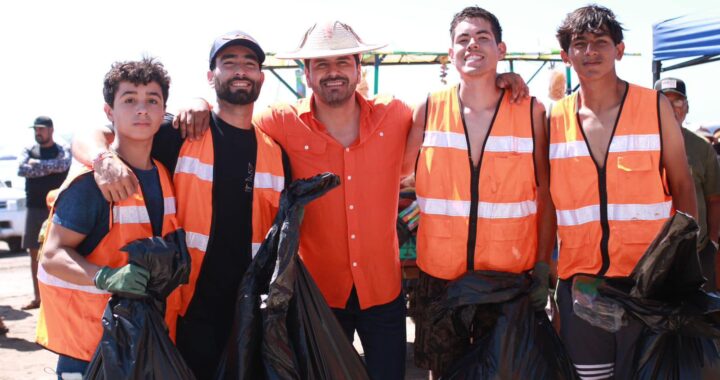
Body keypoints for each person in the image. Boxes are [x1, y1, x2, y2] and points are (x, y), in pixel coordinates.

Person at [72, 32, 290, 379]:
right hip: (185, 313)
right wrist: (102, 160)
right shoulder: (179, 133)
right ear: (210, 76)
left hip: (248, 316)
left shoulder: (276, 153)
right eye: (228, 63)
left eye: (250, 64)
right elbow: (97, 131)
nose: (240, 71)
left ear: (261, 77)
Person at [402, 7, 554, 377]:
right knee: (444, 373)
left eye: (483, 37)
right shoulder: (429, 108)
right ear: (450, 53)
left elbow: (546, 193)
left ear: (500, 49)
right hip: (440, 277)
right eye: (463, 39)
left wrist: (545, 264)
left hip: (506, 280)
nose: (472, 45)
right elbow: (401, 179)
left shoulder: (531, 111)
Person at [550, 6, 697, 379]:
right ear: (566, 55)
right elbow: (543, 199)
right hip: (583, 286)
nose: (590, 51)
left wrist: (682, 263)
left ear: (619, 49)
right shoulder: (553, 119)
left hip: (647, 284)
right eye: (579, 44)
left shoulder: (654, 106)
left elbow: (682, 184)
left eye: (601, 42)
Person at [36, 58, 177, 378]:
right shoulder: (91, 182)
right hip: (89, 353)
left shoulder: (165, 175)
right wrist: (105, 277)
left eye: (152, 100)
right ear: (109, 112)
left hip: (143, 344)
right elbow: (52, 256)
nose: (142, 109)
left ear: (163, 110)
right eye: (129, 100)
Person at [655, 77, 720, 291]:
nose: (672, 108)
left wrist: (712, 244)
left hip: (698, 253)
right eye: (665, 101)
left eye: (678, 102)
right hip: (653, 255)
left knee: (701, 319)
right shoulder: (639, 144)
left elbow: (714, 200)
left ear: (687, 107)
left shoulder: (702, 149)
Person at [16, 116, 71, 310]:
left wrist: (36, 165)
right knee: (34, 254)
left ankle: (58, 300)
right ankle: (38, 298)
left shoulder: (62, 148)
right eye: (35, 130)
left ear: (51, 130)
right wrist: (49, 167)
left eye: (41, 129)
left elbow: (63, 165)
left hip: (58, 209)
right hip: (34, 208)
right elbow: (21, 169)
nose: (37, 133)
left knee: (60, 253)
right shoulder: (28, 150)